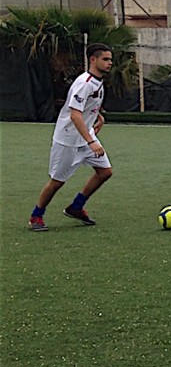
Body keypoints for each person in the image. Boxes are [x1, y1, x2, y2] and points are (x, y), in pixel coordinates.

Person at [29, 43, 115, 231]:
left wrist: (98, 117)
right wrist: (91, 142)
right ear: (93, 60)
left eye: (110, 59)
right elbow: (75, 115)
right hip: (68, 140)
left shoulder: (97, 81)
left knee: (105, 172)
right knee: (57, 182)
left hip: (85, 136)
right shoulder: (85, 83)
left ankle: (76, 207)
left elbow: (88, 105)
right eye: (106, 59)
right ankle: (36, 216)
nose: (110, 63)